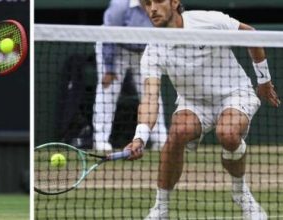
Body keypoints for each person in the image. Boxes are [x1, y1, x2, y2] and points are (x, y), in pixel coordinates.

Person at [125, 0, 280, 219]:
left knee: (227, 133)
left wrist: (264, 80)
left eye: (158, 1)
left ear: (175, 2)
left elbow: (251, 34)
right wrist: (139, 137)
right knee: (176, 133)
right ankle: (160, 208)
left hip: (234, 92)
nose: (152, 9)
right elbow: (150, 98)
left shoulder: (207, 21)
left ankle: (240, 192)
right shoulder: (153, 50)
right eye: (147, 3)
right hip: (193, 101)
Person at [93, 0, 167, 151]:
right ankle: (100, 141)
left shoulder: (160, 5)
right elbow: (108, 35)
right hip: (116, 50)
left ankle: (161, 139)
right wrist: (109, 69)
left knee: (152, 94)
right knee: (107, 94)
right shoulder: (120, 6)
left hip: (144, 52)